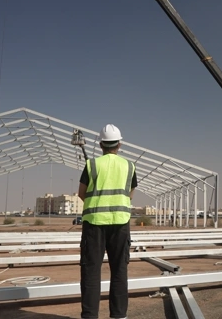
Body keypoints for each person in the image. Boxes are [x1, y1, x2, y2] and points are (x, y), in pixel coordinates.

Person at [78, 124, 137, 319]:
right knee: (119, 270)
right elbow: (130, 194)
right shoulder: (129, 166)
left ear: (101, 144)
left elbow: (81, 193)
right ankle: (119, 315)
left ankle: (89, 316)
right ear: (119, 144)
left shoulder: (92, 164)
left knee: (91, 271)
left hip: (94, 223)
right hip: (120, 223)